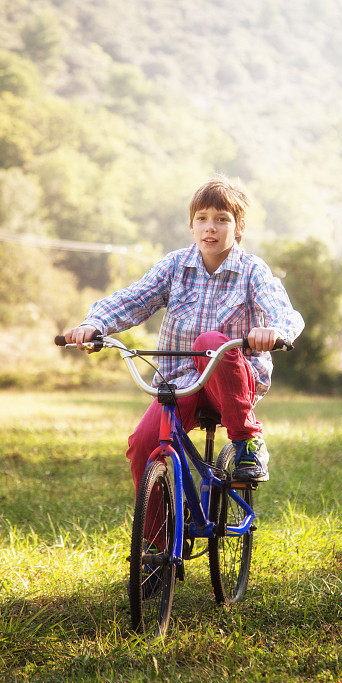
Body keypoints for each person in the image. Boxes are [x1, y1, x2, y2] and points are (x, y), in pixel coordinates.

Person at [64, 175, 304, 487]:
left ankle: (247, 443)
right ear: (191, 226)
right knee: (142, 446)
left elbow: (283, 312)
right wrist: (94, 324)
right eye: (202, 219)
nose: (210, 227)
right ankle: (155, 535)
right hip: (179, 382)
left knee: (210, 342)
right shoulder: (175, 265)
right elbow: (135, 298)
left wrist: (273, 331)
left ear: (239, 227)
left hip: (233, 386)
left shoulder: (253, 271)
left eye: (222, 220)